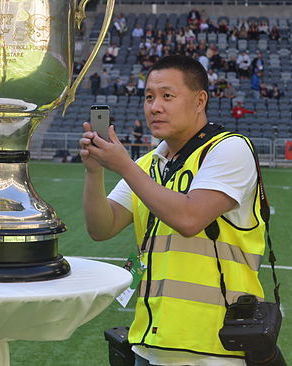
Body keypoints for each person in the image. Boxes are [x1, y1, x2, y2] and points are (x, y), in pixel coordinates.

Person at [79, 55, 268, 366]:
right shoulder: (148, 164)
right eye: (149, 97)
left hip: (211, 346)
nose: (155, 107)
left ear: (199, 100)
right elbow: (102, 228)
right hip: (149, 341)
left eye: (167, 96)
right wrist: (94, 172)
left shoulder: (229, 149)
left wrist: (124, 165)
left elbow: (189, 218)